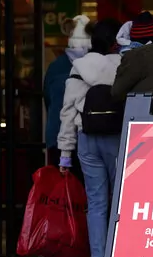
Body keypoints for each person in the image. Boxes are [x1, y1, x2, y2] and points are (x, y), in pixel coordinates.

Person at [57, 18, 123, 257]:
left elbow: (67, 112)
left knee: (96, 203)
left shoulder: (78, 67)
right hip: (118, 138)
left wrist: (64, 152)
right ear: (114, 42)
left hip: (88, 139)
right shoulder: (122, 66)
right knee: (122, 201)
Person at [44, 15, 92, 183]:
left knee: (61, 195)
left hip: (58, 137)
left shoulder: (56, 67)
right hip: (80, 138)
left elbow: (49, 100)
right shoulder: (92, 66)